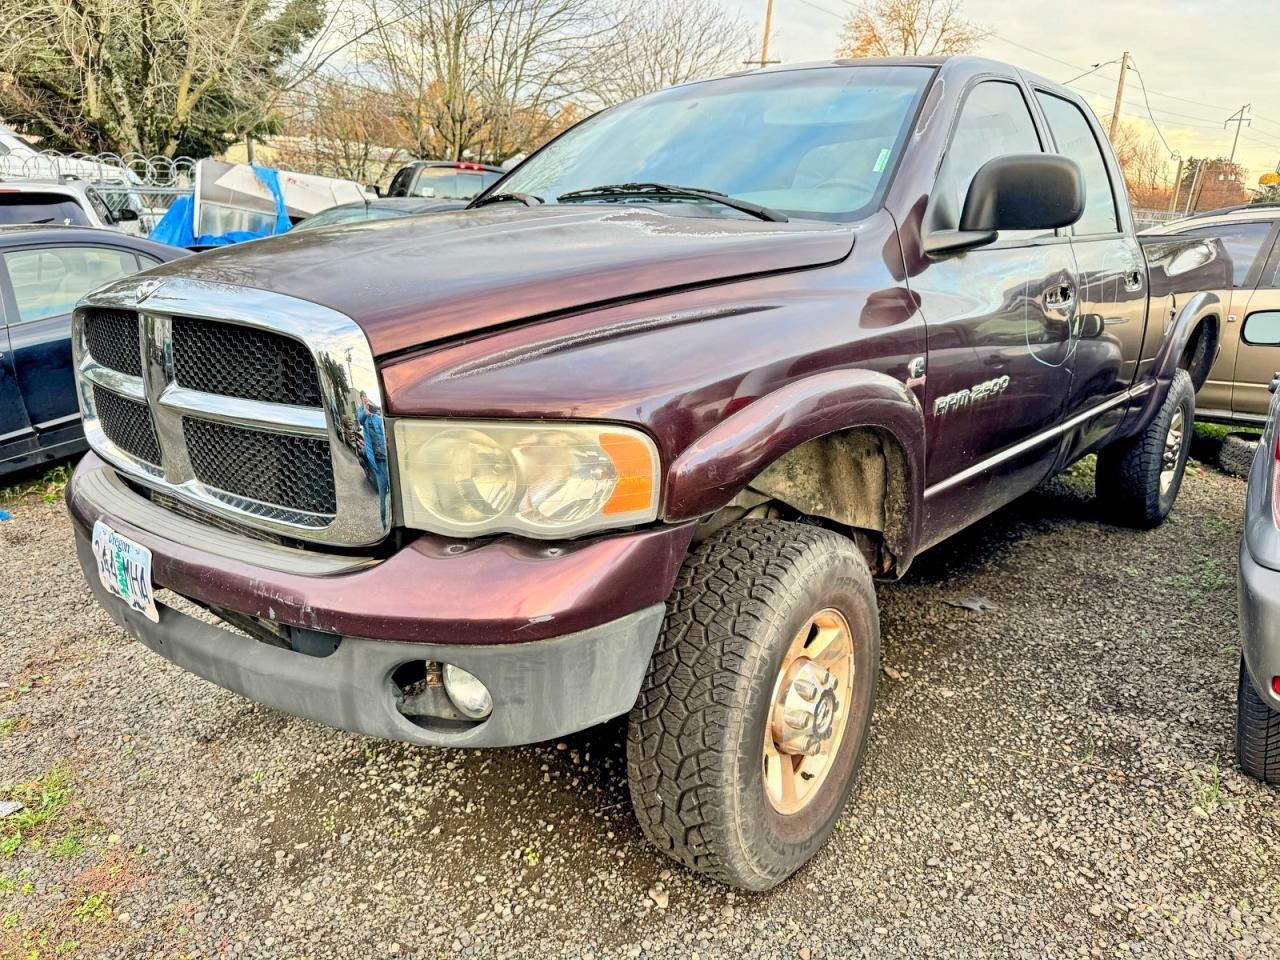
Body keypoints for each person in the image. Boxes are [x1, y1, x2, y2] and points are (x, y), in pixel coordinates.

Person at [358, 390, 389, 525]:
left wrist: (377, 414)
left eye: (366, 396)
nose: (365, 399)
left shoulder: (376, 417)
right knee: (382, 494)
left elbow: (384, 428)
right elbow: (360, 419)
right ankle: (383, 522)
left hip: (387, 458)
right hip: (378, 462)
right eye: (363, 397)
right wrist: (365, 412)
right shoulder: (361, 412)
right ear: (360, 399)